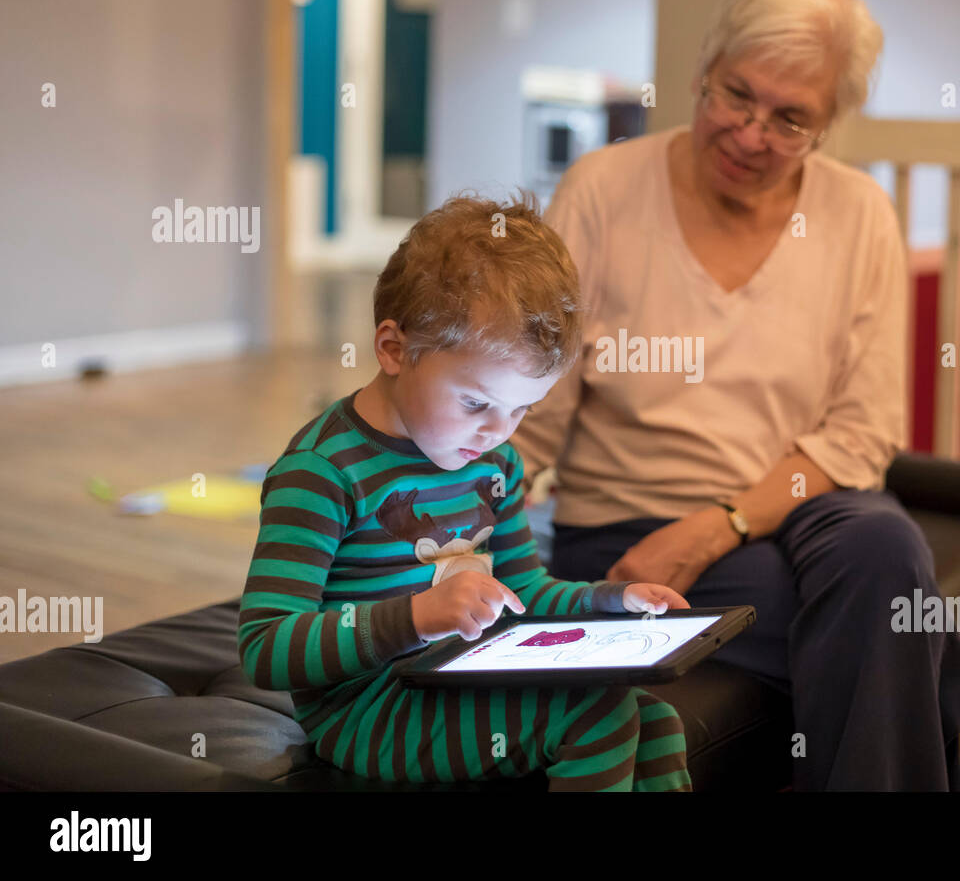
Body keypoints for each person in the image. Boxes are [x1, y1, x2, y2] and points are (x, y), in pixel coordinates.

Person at [514, 0, 960, 790]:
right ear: (702, 69)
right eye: (736, 95)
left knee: (884, 545)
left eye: (790, 118)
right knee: (895, 614)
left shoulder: (859, 215)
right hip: (630, 528)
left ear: (828, 125)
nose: (751, 133)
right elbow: (533, 408)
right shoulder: (602, 192)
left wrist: (720, 523)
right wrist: (449, 525)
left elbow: (863, 431)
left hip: (803, 506)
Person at [237, 193, 692, 791]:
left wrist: (611, 602)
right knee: (598, 712)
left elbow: (523, 592)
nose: (499, 432)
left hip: (459, 676)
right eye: (476, 403)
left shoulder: (493, 460)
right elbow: (265, 647)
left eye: (522, 409)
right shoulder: (323, 471)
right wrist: (415, 618)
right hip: (371, 710)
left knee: (657, 719)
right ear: (394, 349)